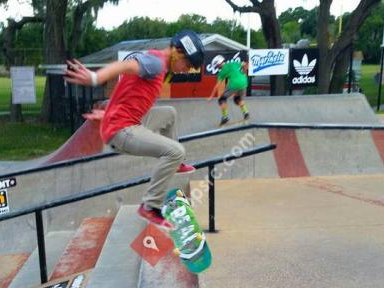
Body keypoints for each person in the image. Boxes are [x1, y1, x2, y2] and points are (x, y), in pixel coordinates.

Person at [64, 30, 205, 229]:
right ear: (178, 53)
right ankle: (150, 205)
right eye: (187, 65)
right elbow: (125, 65)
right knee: (175, 150)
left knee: (169, 113)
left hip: (125, 121)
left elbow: (126, 95)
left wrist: (106, 116)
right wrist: (96, 78)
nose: (185, 70)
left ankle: (177, 164)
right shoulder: (156, 63)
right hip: (122, 132)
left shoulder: (159, 63)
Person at [207, 55, 249, 126]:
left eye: (217, 66)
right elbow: (245, 65)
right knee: (237, 99)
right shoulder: (234, 63)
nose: (217, 68)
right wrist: (244, 73)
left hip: (234, 84)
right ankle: (246, 113)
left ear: (219, 63)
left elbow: (217, 86)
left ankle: (225, 117)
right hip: (244, 82)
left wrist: (211, 96)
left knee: (222, 99)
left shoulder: (222, 72)